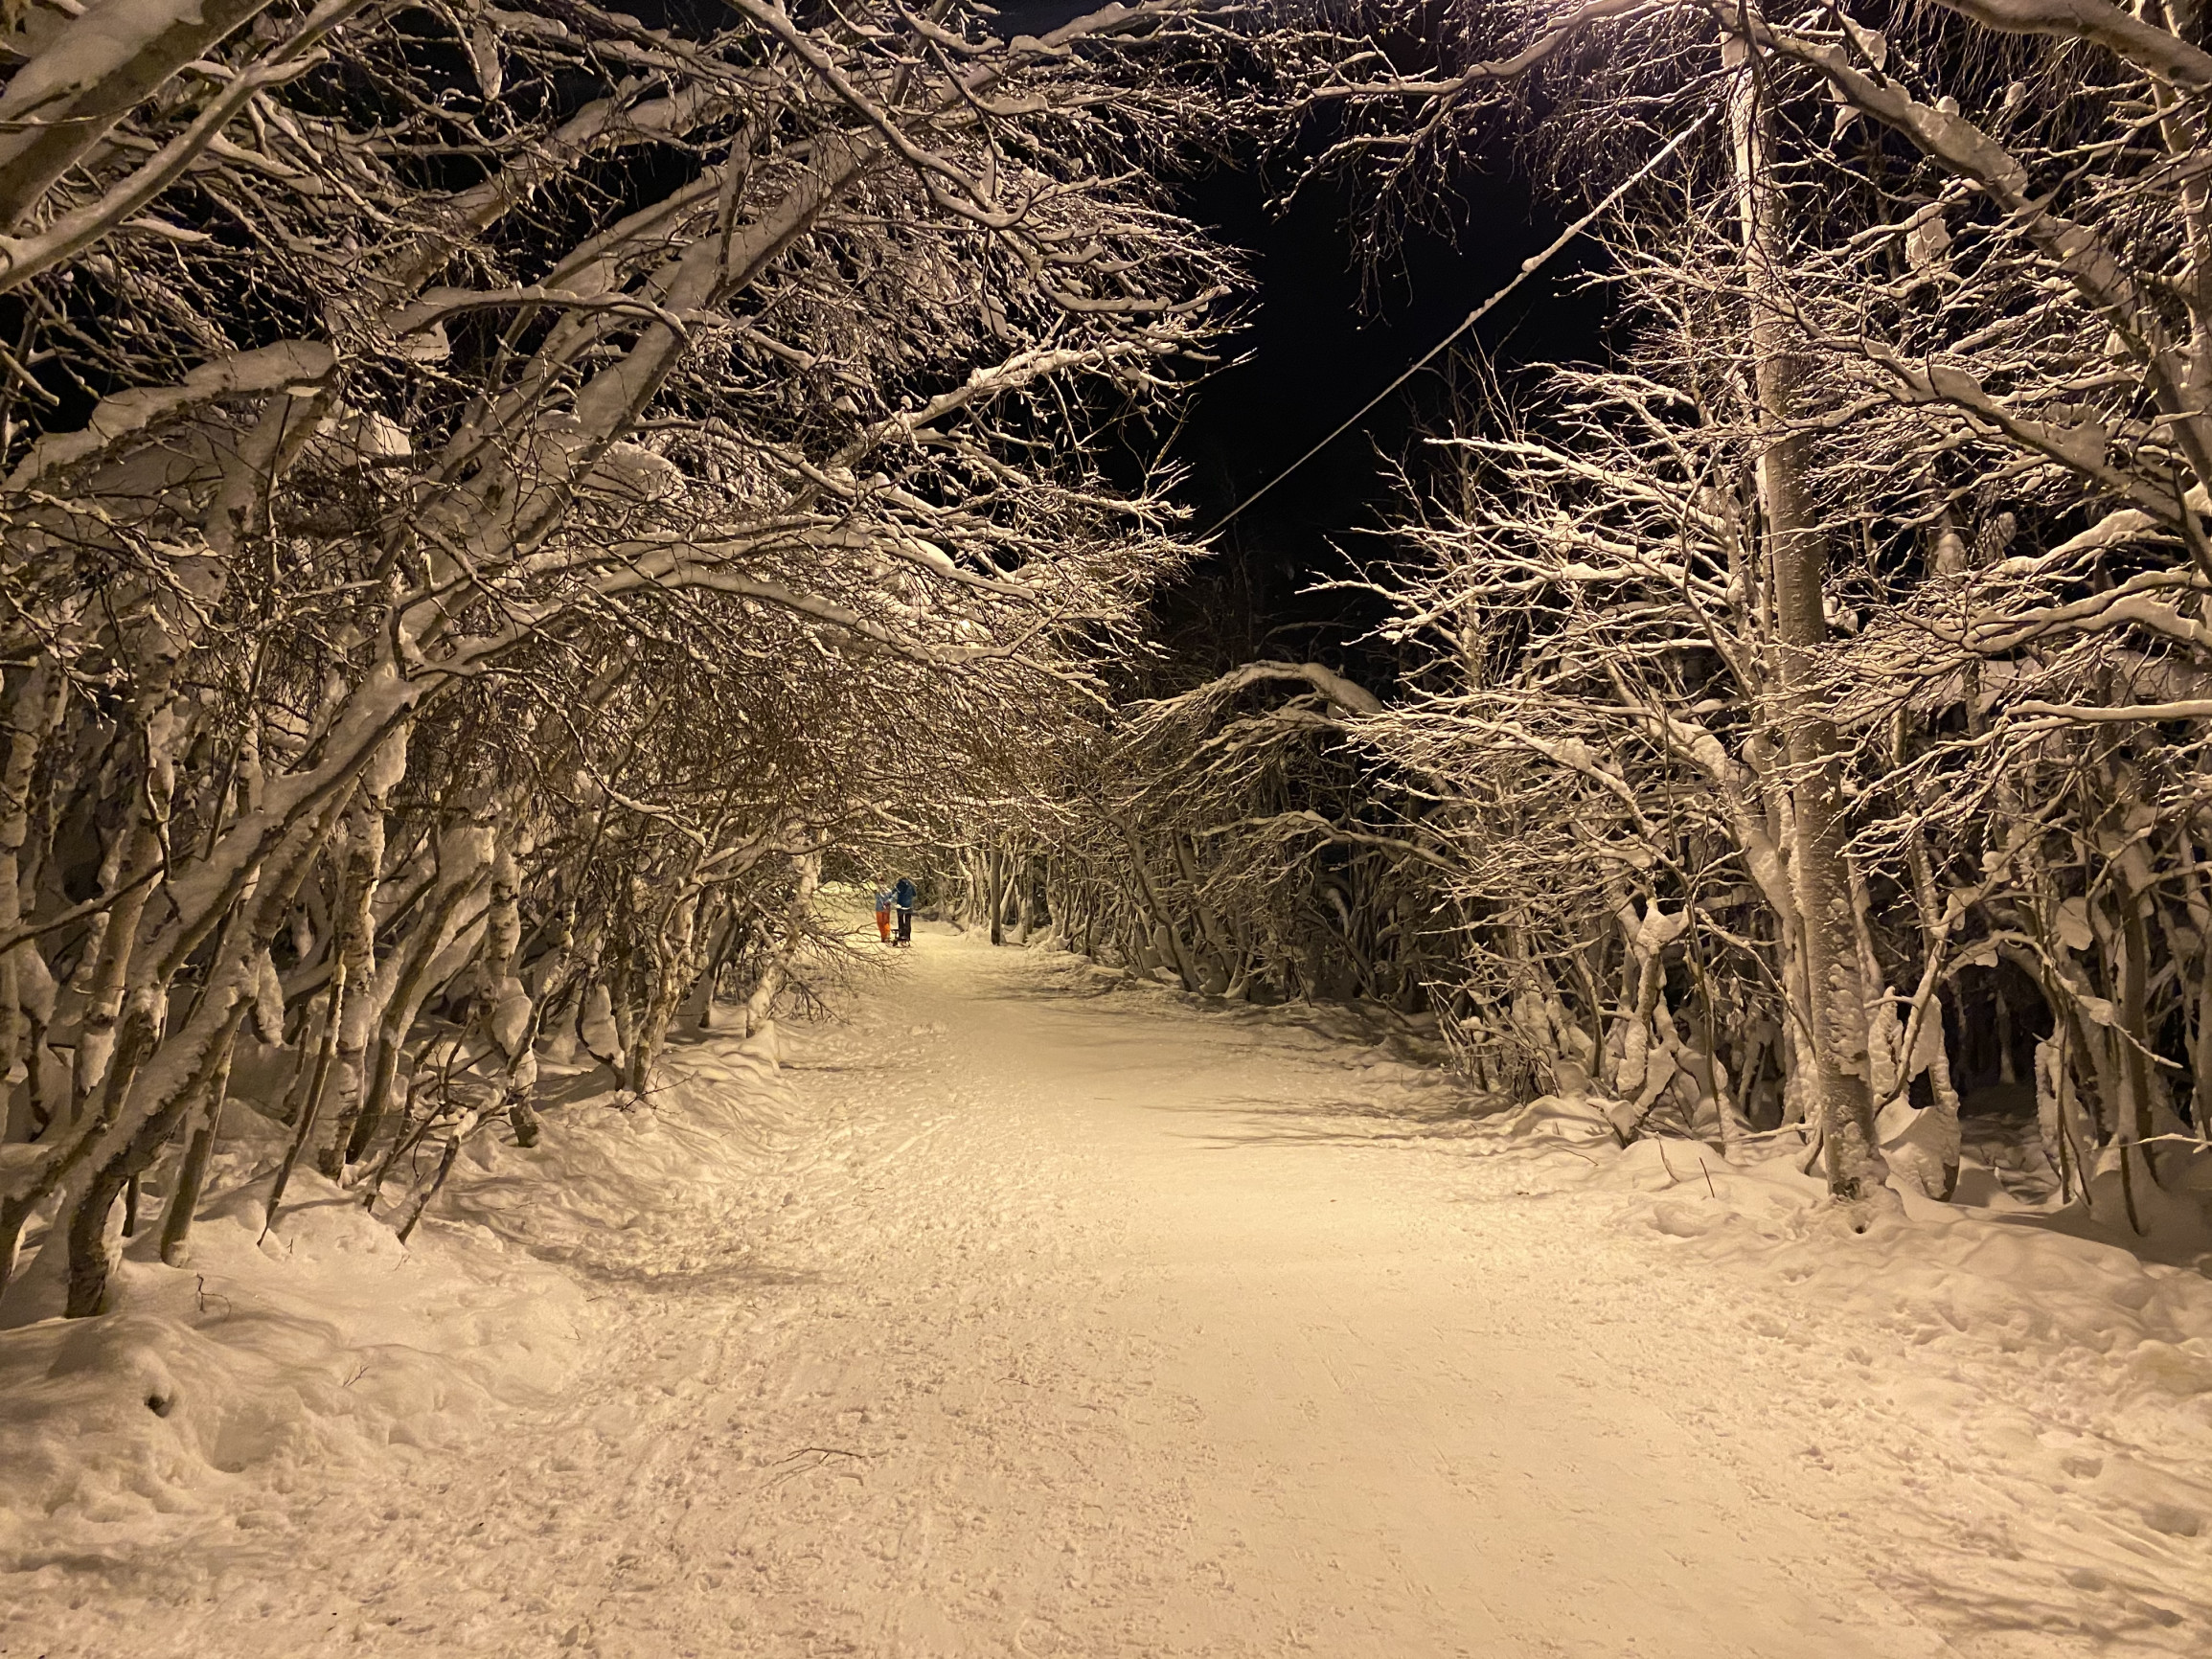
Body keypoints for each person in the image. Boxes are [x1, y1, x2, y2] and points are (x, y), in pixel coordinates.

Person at [893, 875, 918, 947]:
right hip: (908, 906)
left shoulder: (898, 885)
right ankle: (907, 936)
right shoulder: (910, 885)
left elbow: (893, 892)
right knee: (908, 921)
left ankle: (901, 935)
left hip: (900, 906)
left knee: (900, 921)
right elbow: (914, 894)